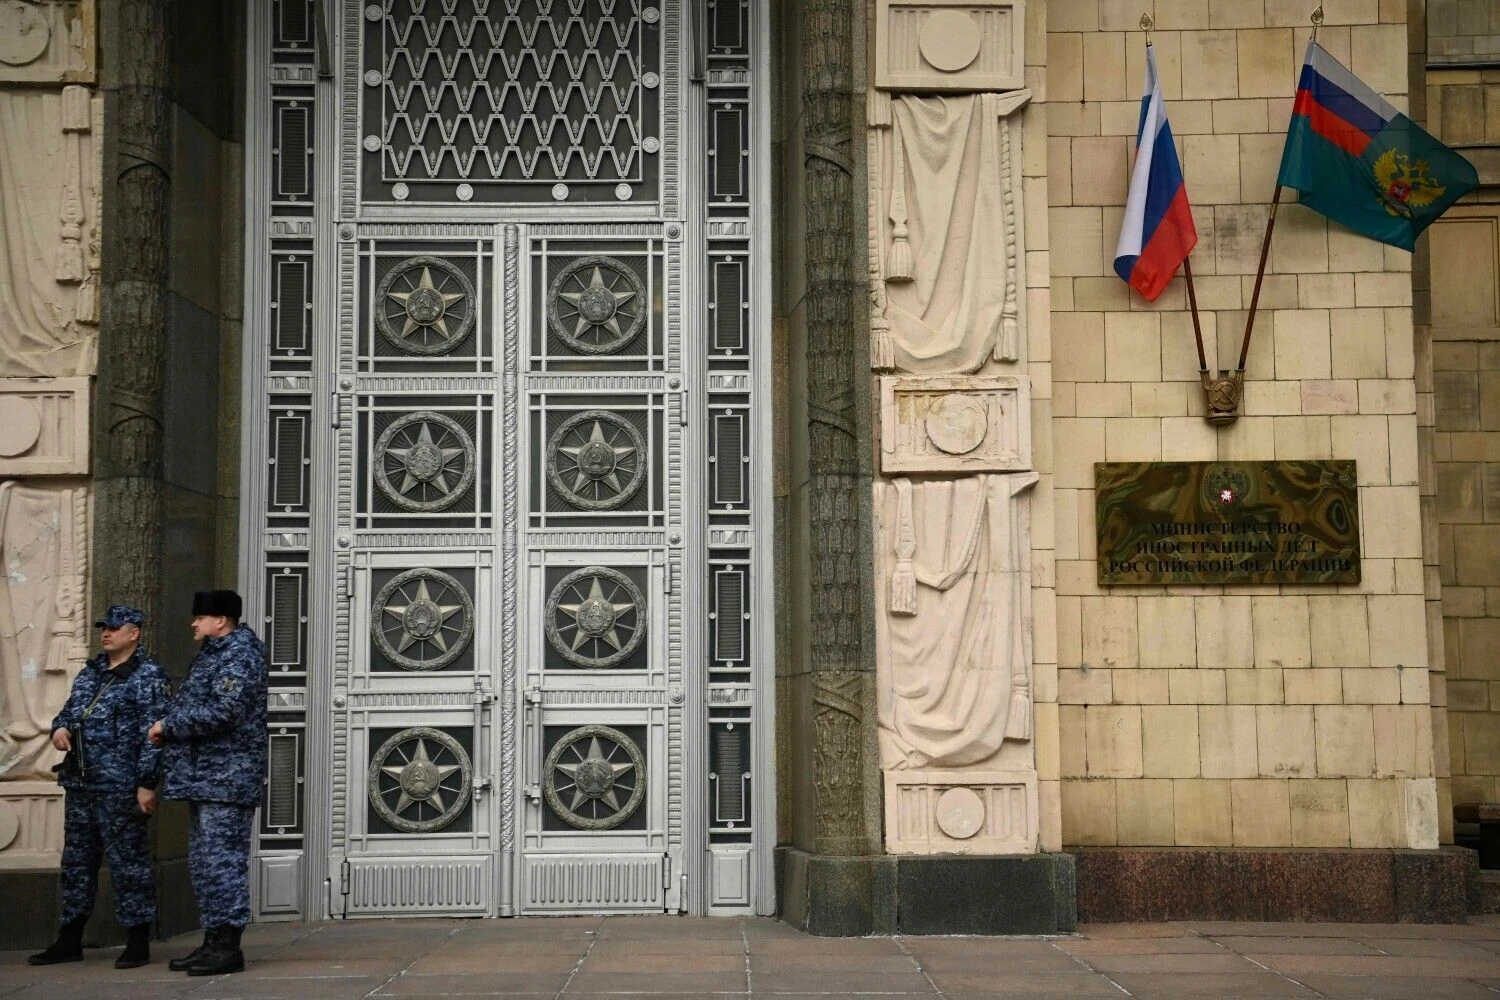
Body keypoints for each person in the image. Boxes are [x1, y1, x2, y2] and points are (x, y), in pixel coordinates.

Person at [29, 605, 169, 970]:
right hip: (81, 784)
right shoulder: (90, 674)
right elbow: (67, 713)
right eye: (103, 627)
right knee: (76, 863)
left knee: (129, 864)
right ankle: (69, 938)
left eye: (114, 628)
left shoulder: (148, 676)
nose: (106, 633)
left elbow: (154, 735)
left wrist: (147, 783)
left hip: (120, 787)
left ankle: (137, 940)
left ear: (134, 633)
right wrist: (59, 729)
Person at [148, 590, 267, 977]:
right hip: (206, 777)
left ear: (221, 621)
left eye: (200, 617)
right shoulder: (216, 653)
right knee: (204, 864)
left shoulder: (239, 655)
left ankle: (228, 948)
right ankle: (213, 940)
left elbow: (225, 711)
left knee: (223, 863)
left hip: (227, 779)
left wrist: (170, 726)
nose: (193, 624)